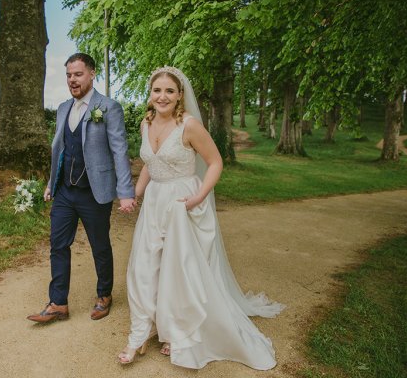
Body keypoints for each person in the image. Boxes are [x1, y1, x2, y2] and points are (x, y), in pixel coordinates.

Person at [117, 67, 284, 369]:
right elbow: (149, 165)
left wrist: (199, 196)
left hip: (183, 202)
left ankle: (175, 332)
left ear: (180, 95)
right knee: (143, 266)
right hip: (155, 201)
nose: (163, 96)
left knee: (178, 271)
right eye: (157, 90)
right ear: (150, 94)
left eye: (170, 91)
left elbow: (215, 161)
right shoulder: (147, 122)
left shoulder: (189, 126)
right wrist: (135, 195)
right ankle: (140, 332)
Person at [27, 53, 136, 323]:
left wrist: (125, 193)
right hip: (66, 191)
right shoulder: (63, 108)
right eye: (68, 75)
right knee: (58, 245)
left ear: (92, 74)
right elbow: (61, 150)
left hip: (94, 191)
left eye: (77, 74)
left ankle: (104, 295)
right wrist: (52, 183)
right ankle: (58, 303)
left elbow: (120, 151)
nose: (72, 80)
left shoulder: (108, 107)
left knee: (99, 245)